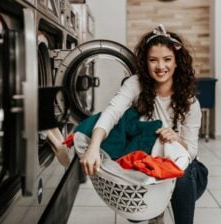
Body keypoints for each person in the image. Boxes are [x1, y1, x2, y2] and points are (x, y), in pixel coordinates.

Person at [79, 24, 208, 224]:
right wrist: (94, 147)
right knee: (141, 202)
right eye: (153, 60)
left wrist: (176, 138)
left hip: (187, 172)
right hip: (148, 165)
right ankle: (154, 214)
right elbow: (111, 112)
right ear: (145, 62)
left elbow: (191, 151)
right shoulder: (136, 84)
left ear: (176, 63)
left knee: (181, 174)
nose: (160, 67)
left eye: (167, 59)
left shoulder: (190, 103)